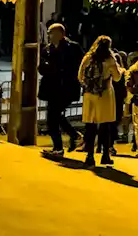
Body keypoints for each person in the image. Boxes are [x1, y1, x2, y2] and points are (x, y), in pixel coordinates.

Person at [37, 23, 83, 156]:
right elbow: (41, 67)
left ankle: (61, 145)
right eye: (49, 33)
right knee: (54, 116)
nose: (49, 36)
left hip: (66, 87)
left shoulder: (73, 48)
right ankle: (70, 137)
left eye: (52, 33)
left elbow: (78, 66)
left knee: (53, 116)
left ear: (61, 34)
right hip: (52, 87)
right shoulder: (47, 49)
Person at [78, 35, 122, 167]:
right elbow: (117, 78)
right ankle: (105, 155)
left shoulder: (88, 58)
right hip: (105, 94)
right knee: (105, 125)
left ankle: (90, 155)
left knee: (90, 126)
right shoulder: (110, 60)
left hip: (89, 95)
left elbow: (80, 76)